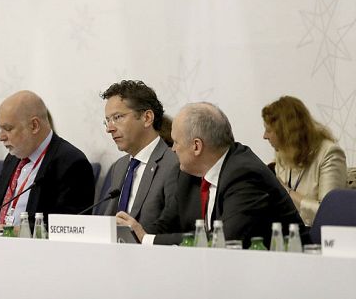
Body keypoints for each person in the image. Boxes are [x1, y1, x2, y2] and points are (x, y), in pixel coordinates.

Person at [117, 102, 306, 247]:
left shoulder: (245, 174)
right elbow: (166, 225)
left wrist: (147, 239)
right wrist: (134, 233)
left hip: (286, 271)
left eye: (176, 142)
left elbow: (224, 240)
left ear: (196, 146)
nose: (172, 149)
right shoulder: (186, 173)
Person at [0, 91, 95, 230]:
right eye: (0, 128)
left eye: (8, 128)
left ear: (34, 126)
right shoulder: (13, 158)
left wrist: (16, 231)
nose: (1, 137)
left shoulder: (72, 163)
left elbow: (68, 226)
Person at [99, 81, 179, 231]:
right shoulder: (120, 166)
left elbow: (176, 228)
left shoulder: (174, 164)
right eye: (107, 121)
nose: (109, 129)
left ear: (147, 118)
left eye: (117, 117)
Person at [262, 96, 347, 225]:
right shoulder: (282, 152)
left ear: (286, 132)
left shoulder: (330, 154)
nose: (264, 136)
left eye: (269, 130)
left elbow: (329, 213)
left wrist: (286, 192)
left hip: (317, 234)